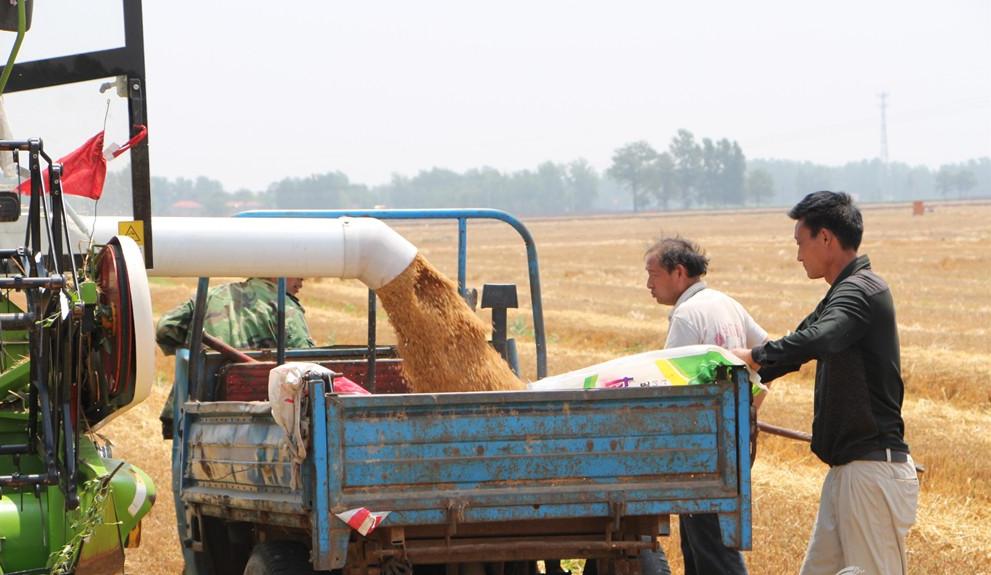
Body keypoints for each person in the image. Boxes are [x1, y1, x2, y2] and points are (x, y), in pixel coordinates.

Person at [731, 191, 918, 575]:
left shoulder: (862, 291)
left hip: (871, 474)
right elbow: (799, 345)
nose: (799, 255)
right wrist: (743, 380)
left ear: (826, 238)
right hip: (847, 474)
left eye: (801, 243)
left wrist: (755, 355)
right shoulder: (842, 295)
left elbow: (820, 338)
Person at [644, 236, 767, 575]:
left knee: (713, 549)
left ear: (679, 272)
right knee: (698, 546)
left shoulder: (686, 316)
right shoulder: (726, 303)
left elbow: (670, 389)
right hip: (729, 444)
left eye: (653, 275)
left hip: (700, 449)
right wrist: (748, 404)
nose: (648, 284)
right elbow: (768, 353)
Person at [157, 277, 314, 438]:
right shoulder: (286, 306)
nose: (303, 278)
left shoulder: (210, 295)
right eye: (297, 267)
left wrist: (192, 345)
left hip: (197, 415)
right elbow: (308, 365)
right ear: (276, 268)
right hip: (262, 421)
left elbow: (165, 328)